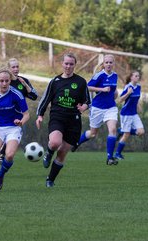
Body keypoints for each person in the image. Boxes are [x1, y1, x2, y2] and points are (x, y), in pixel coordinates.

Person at [36, 53, 90, 188]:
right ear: (62, 64)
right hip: (57, 117)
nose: (68, 66)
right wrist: (40, 115)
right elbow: (46, 98)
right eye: (66, 63)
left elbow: (88, 101)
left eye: (71, 64)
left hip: (74, 120)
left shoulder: (81, 82)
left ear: (74, 65)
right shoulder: (55, 82)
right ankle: (48, 153)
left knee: (62, 152)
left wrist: (84, 106)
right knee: (54, 143)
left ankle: (50, 179)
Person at [0, 67, 30, 192]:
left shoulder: (16, 95)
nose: (4, 84)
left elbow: (26, 114)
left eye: (7, 81)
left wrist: (21, 122)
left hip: (13, 128)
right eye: (1, 81)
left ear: (10, 81)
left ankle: (1, 175)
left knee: (9, 155)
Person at [0, 58, 38, 164]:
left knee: (7, 151)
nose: (16, 69)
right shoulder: (1, 81)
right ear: (8, 69)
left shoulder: (23, 81)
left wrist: (25, 85)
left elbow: (34, 96)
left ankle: (2, 160)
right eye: (13, 67)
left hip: (16, 119)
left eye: (17, 66)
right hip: (2, 119)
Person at [72, 54, 119, 165]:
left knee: (112, 130)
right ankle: (77, 142)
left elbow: (113, 90)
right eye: (106, 62)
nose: (108, 64)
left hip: (111, 108)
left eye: (110, 62)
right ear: (103, 64)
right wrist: (102, 89)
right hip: (97, 108)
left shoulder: (115, 75)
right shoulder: (99, 75)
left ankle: (110, 158)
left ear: (113, 64)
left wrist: (115, 93)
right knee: (93, 134)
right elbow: (87, 87)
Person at [114, 71, 145, 160]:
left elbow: (137, 99)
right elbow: (119, 100)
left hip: (134, 113)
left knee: (141, 132)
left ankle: (121, 131)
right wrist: (128, 93)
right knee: (126, 135)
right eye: (135, 76)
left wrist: (139, 107)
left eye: (138, 76)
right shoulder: (128, 87)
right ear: (131, 77)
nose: (137, 77)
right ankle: (117, 154)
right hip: (126, 114)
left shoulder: (139, 87)